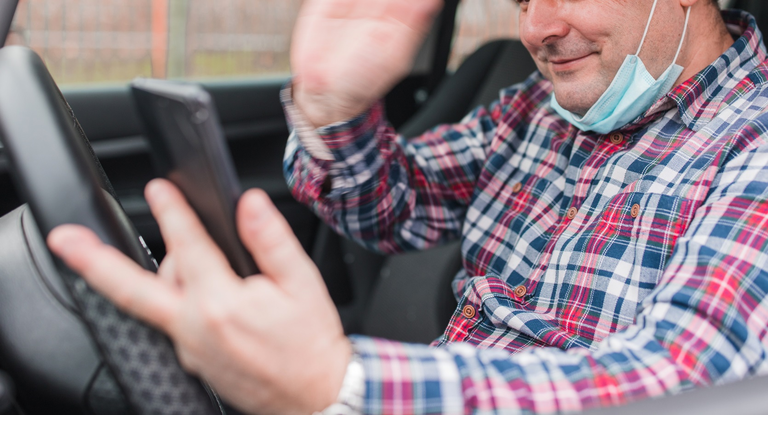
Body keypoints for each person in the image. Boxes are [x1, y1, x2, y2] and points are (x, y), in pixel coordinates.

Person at [47, 0, 768, 414]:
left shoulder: (754, 142)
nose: (536, 27)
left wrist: (341, 383)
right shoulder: (535, 111)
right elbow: (394, 208)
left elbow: (681, 383)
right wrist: (334, 108)